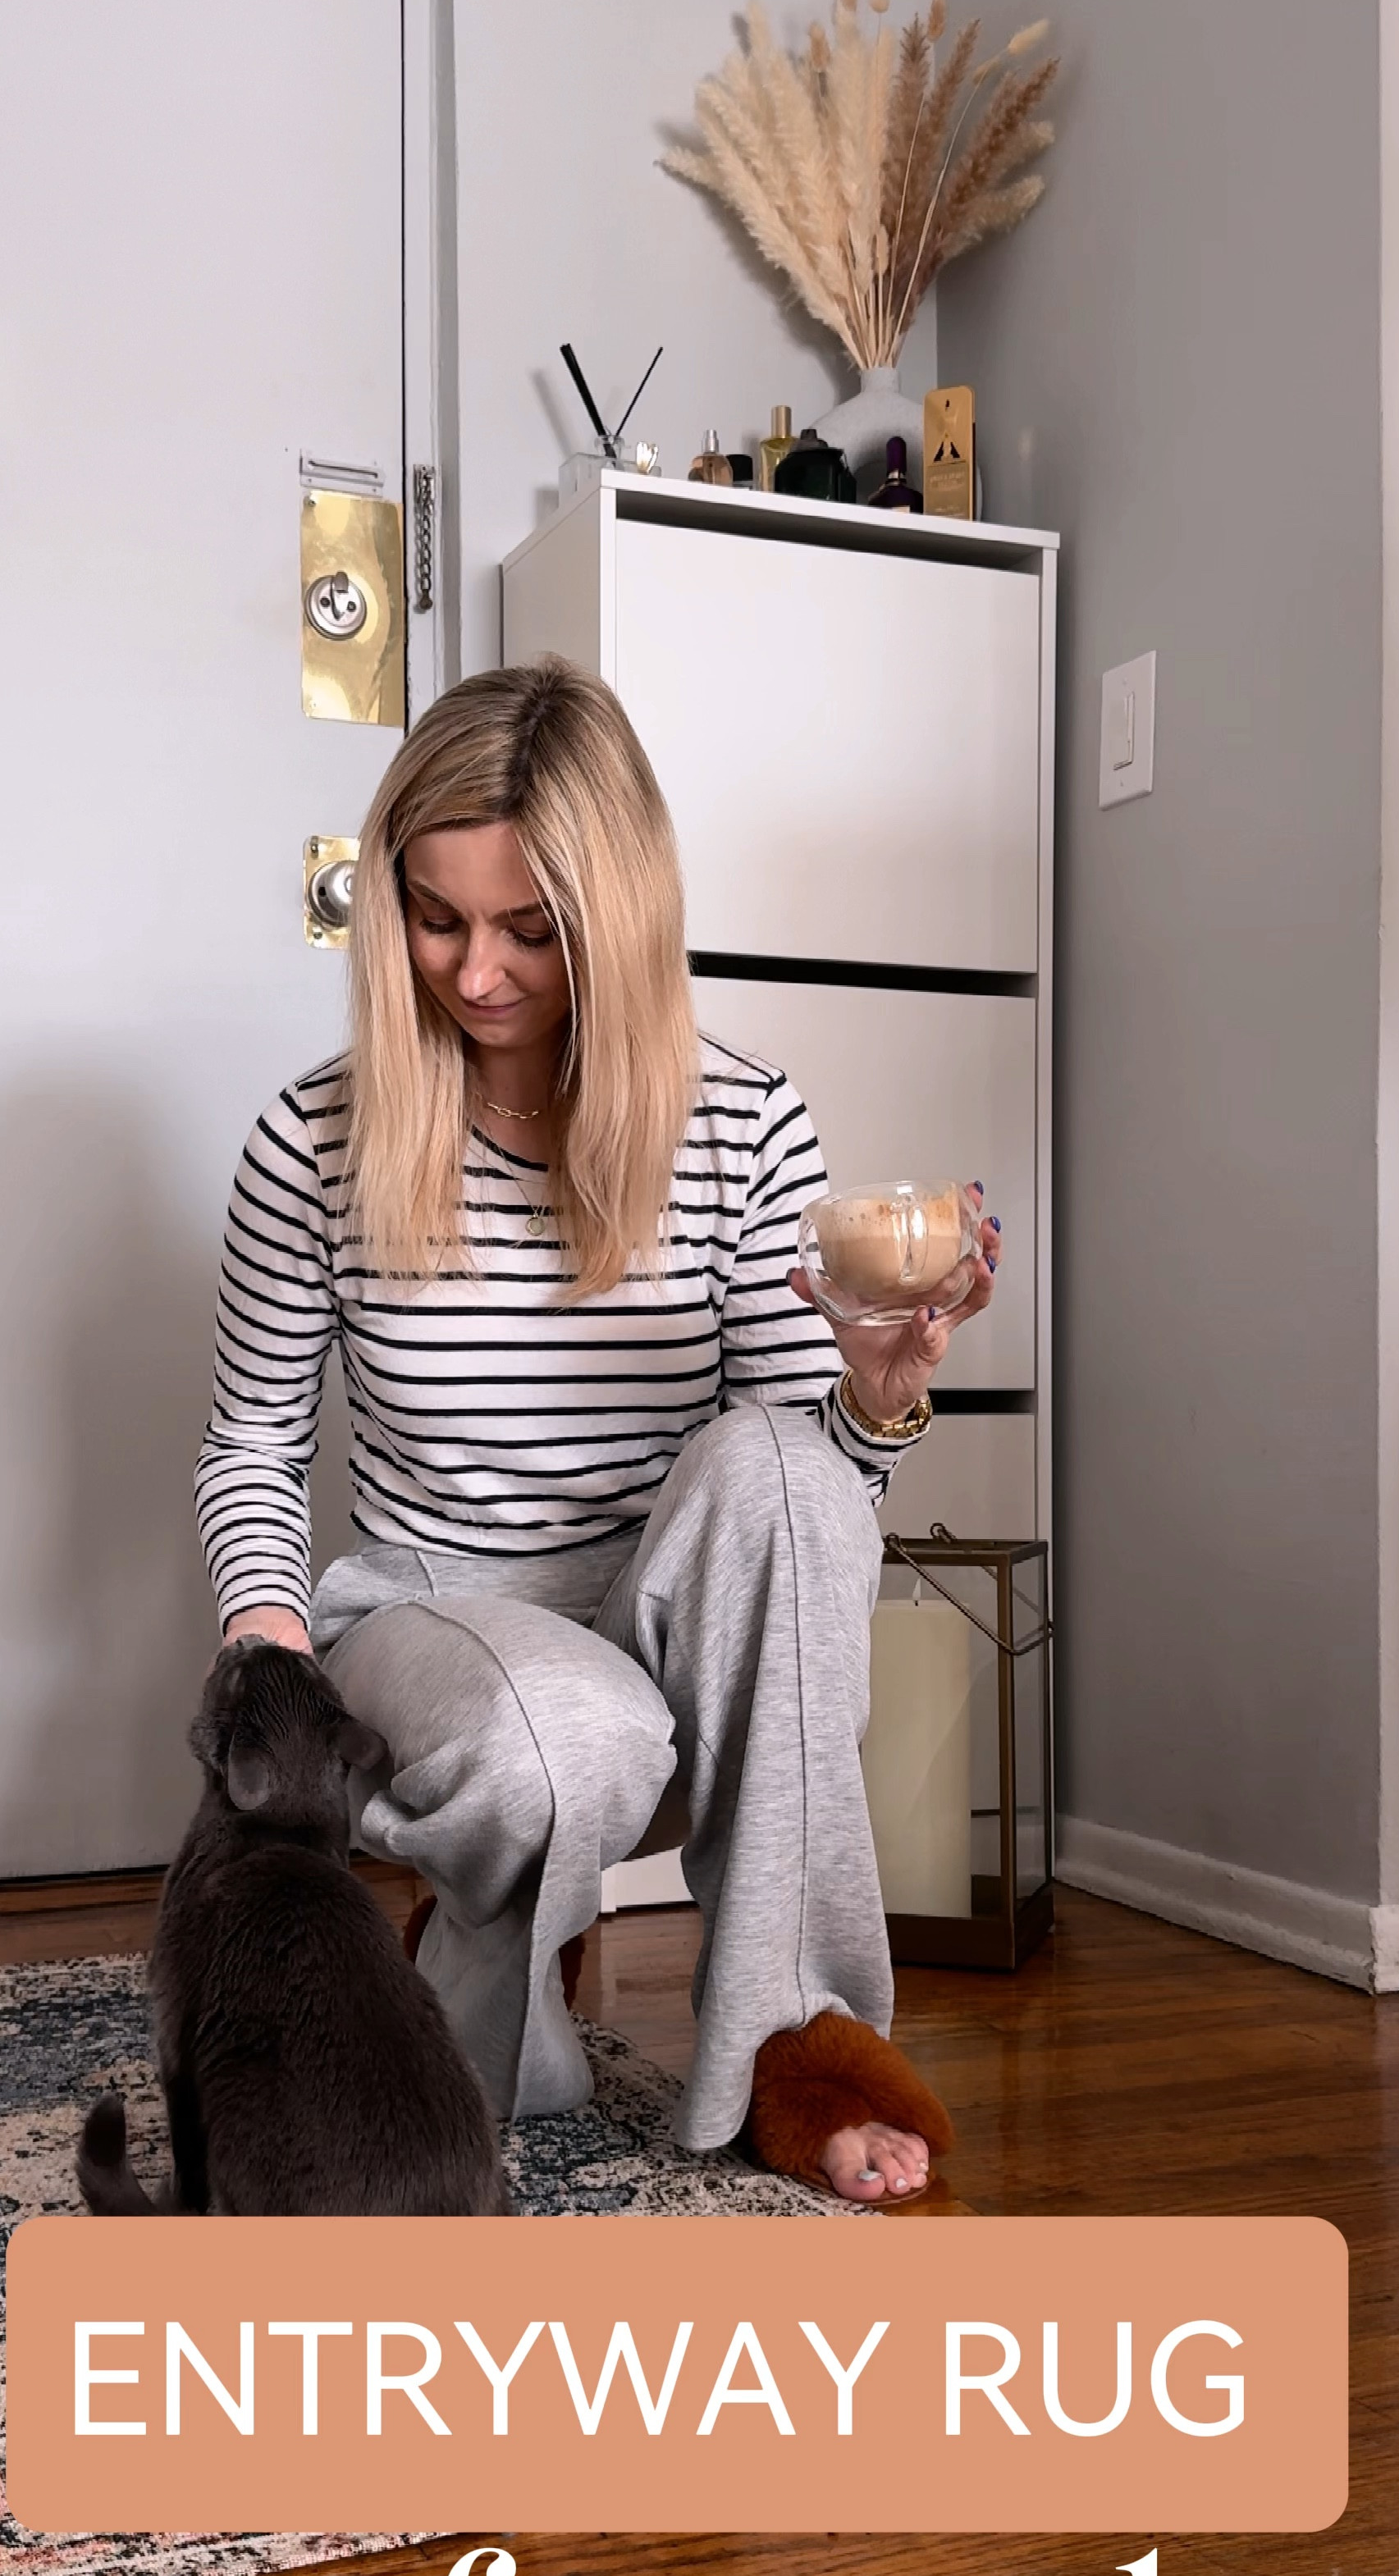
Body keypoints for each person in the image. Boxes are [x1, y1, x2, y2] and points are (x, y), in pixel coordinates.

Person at [194, 660, 1000, 2199]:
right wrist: (269, 1655)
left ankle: (794, 2043)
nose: (476, 971)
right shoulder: (313, 1140)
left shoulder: (744, 1122)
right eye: (437, 918)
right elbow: (251, 1441)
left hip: (661, 1629)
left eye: (530, 927)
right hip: (434, 1619)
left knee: (780, 1466)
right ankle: (500, 1937)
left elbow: (793, 1511)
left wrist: (877, 1403)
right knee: (573, 1734)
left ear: (614, 920)